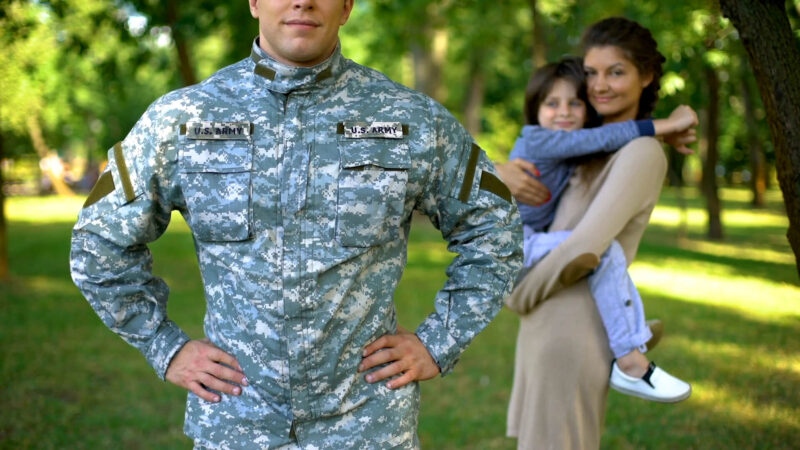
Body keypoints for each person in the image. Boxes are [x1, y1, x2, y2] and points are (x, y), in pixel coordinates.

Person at [69, 1, 522, 448]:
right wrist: (164, 346)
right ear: (253, 2)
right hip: (237, 421)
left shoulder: (409, 119)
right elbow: (97, 244)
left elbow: (495, 227)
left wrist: (438, 341)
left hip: (367, 423)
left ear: (346, 6)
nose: (302, 1)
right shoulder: (184, 120)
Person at [498, 17, 698, 449]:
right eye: (591, 73)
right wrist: (497, 170)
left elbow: (586, 249)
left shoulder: (640, 152)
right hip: (544, 325)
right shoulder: (585, 144)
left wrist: (518, 296)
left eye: (617, 72)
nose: (600, 85)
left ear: (646, 77)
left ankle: (633, 353)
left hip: (573, 323)